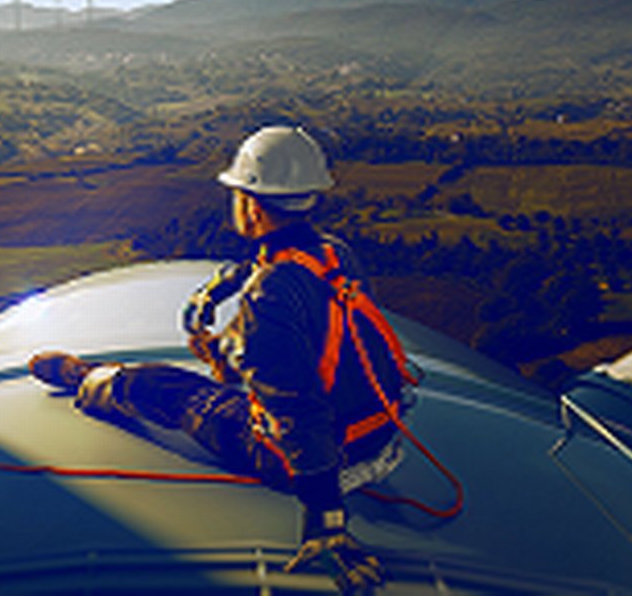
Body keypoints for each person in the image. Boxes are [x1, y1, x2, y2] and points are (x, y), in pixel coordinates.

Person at [29, 125, 414, 593]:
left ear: (251, 205)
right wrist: (215, 293)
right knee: (254, 360)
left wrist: (326, 524)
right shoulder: (335, 254)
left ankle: (89, 380)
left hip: (319, 465)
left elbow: (297, 410)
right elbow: (283, 285)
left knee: (169, 388)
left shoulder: (269, 295)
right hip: (384, 442)